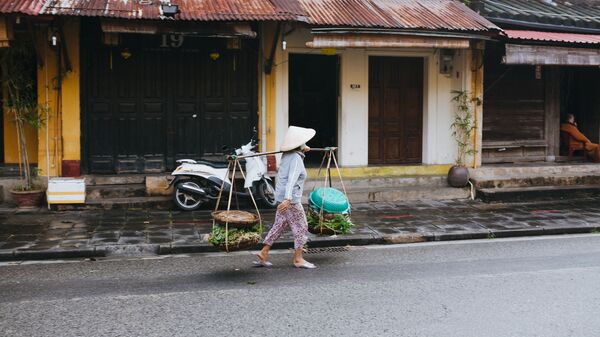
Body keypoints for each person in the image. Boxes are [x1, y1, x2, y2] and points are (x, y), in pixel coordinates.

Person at [255, 126, 317, 269]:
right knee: (302, 227)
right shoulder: (296, 158)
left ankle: (263, 252)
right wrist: (288, 199)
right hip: (290, 200)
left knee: (279, 225)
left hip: (281, 197)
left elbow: (300, 153)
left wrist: (303, 149)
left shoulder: (287, 155)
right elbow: (291, 180)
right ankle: (298, 259)